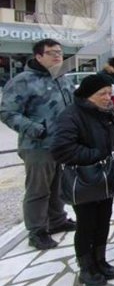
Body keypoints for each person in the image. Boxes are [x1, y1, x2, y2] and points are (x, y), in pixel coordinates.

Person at [50, 75, 114, 286]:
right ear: (87, 95)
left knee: (103, 220)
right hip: (84, 179)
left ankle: (100, 260)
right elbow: (61, 149)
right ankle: (86, 266)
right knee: (87, 224)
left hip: (106, 177)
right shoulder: (71, 115)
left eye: (109, 93)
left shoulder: (110, 113)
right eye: (101, 94)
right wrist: (96, 154)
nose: (107, 98)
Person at [0, 39, 75, 250]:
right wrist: (36, 129)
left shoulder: (62, 78)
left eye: (60, 52)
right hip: (37, 146)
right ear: (39, 56)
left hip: (63, 144)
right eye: (52, 52)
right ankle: (37, 231)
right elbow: (7, 112)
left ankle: (57, 220)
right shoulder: (23, 81)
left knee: (58, 185)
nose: (58, 56)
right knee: (38, 190)